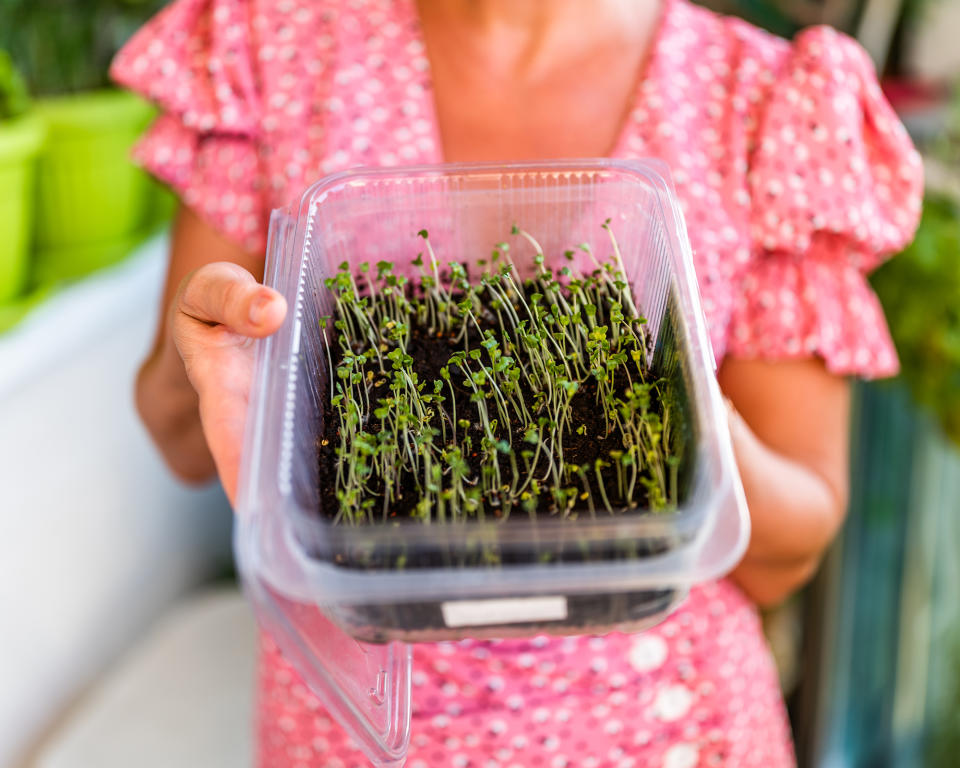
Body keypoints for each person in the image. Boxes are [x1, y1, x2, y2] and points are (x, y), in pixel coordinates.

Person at [111, 0, 922, 765]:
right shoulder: (275, 43)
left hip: (658, 730)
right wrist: (237, 385)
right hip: (353, 733)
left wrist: (681, 407)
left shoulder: (766, 104)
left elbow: (789, 552)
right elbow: (183, 439)